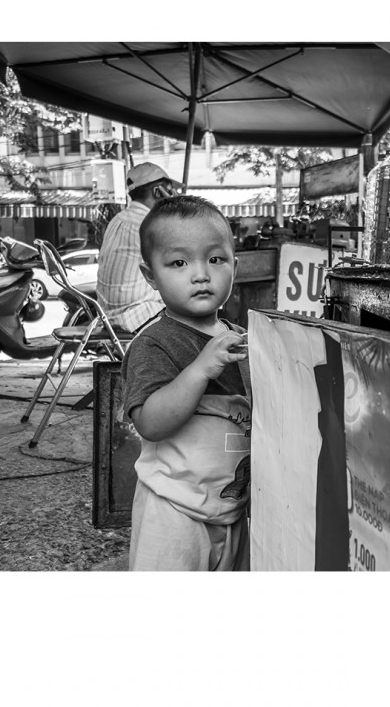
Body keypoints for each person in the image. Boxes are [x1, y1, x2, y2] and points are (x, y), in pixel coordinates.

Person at [120, 195, 251, 571]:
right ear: (151, 276)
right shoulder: (155, 343)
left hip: (231, 507)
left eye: (215, 259)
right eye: (179, 262)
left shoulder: (238, 338)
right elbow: (150, 423)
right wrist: (199, 370)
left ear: (234, 267)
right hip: (174, 510)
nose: (201, 274)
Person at [97, 162, 183, 332]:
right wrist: (178, 207)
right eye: (171, 190)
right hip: (134, 315)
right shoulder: (150, 225)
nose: (174, 194)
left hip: (107, 314)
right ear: (158, 192)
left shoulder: (118, 220)